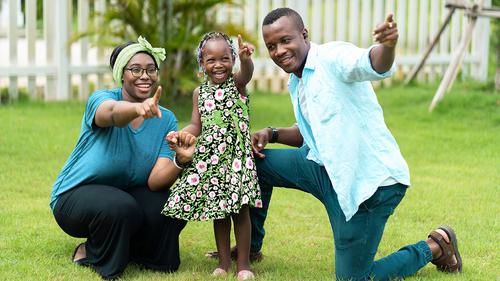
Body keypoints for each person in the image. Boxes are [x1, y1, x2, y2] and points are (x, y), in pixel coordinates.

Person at [212, 8, 463, 281]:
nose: (279, 51)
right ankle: (252, 247)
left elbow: (372, 62)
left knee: (354, 278)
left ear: (304, 34)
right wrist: (271, 134)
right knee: (252, 164)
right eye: (271, 46)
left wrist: (387, 46)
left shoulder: (333, 58)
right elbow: (315, 133)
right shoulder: (297, 79)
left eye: (286, 40)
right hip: (321, 169)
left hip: (369, 187)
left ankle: (435, 247)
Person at [50, 36, 196, 280]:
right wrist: (137, 109)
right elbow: (111, 114)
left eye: (151, 69)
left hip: (125, 193)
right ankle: (90, 251)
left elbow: (155, 182)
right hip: (74, 197)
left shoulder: (166, 118)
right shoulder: (103, 99)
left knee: (167, 206)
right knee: (121, 207)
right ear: (122, 74)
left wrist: (180, 161)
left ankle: (138, 253)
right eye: (136, 69)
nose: (144, 76)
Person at [161, 32, 262, 280]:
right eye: (211, 60)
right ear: (202, 64)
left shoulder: (236, 83)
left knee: (240, 211)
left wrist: (247, 60)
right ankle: (224, 262)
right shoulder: (200, 93)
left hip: (236, 159)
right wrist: (181, 133)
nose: (218, 65)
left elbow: (246, 73)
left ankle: (244, 265)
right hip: (212, 160)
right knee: (219, 213)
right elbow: (197, 125)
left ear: (232, 60)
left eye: (225, 58)